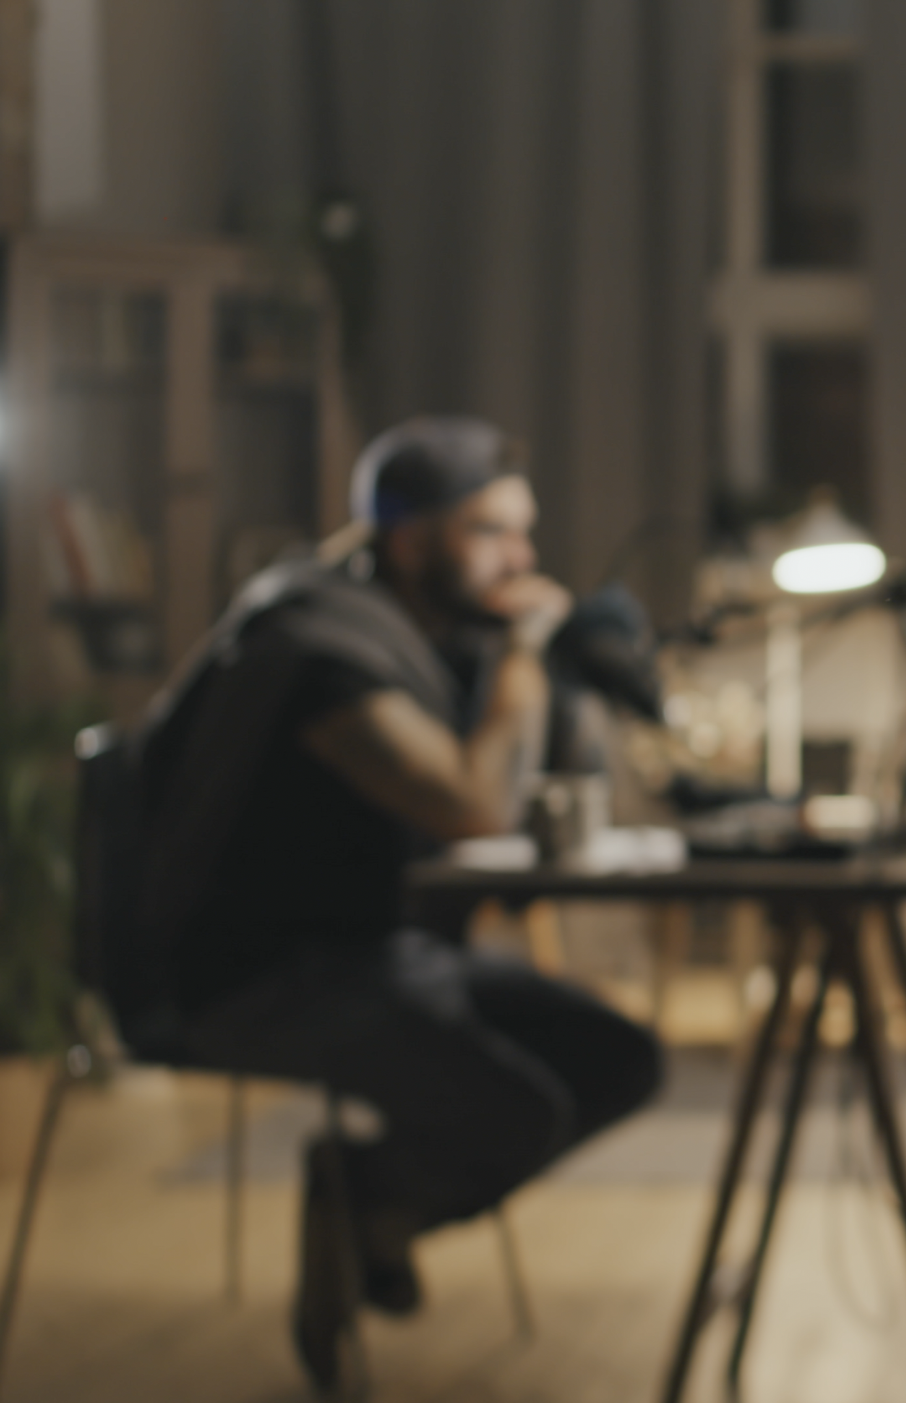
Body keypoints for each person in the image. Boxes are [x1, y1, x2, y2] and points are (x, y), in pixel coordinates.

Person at [139, 417, 662, 1392]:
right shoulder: (319, 647)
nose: (523, 559)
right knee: (517, 1112)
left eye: (524, 531)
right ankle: (359, 1199)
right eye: (492, 532)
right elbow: (472, 804)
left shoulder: (411, 637)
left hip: (373, 953)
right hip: (250, 976)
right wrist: (522, 651)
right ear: (413, 542)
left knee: (619, 1054)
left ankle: (368, 1209)